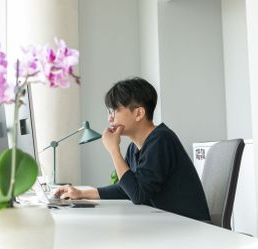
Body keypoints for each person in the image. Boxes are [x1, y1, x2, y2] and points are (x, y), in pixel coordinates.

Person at [55, 77, 210, 221]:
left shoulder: (161, 140)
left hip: (189, 225)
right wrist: (82, 194)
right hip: (168, 222)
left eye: (114, 111)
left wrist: (114, 150)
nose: (110, 118)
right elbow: (127, 189)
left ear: (138, 113)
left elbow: (138, 194)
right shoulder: (133, 148)